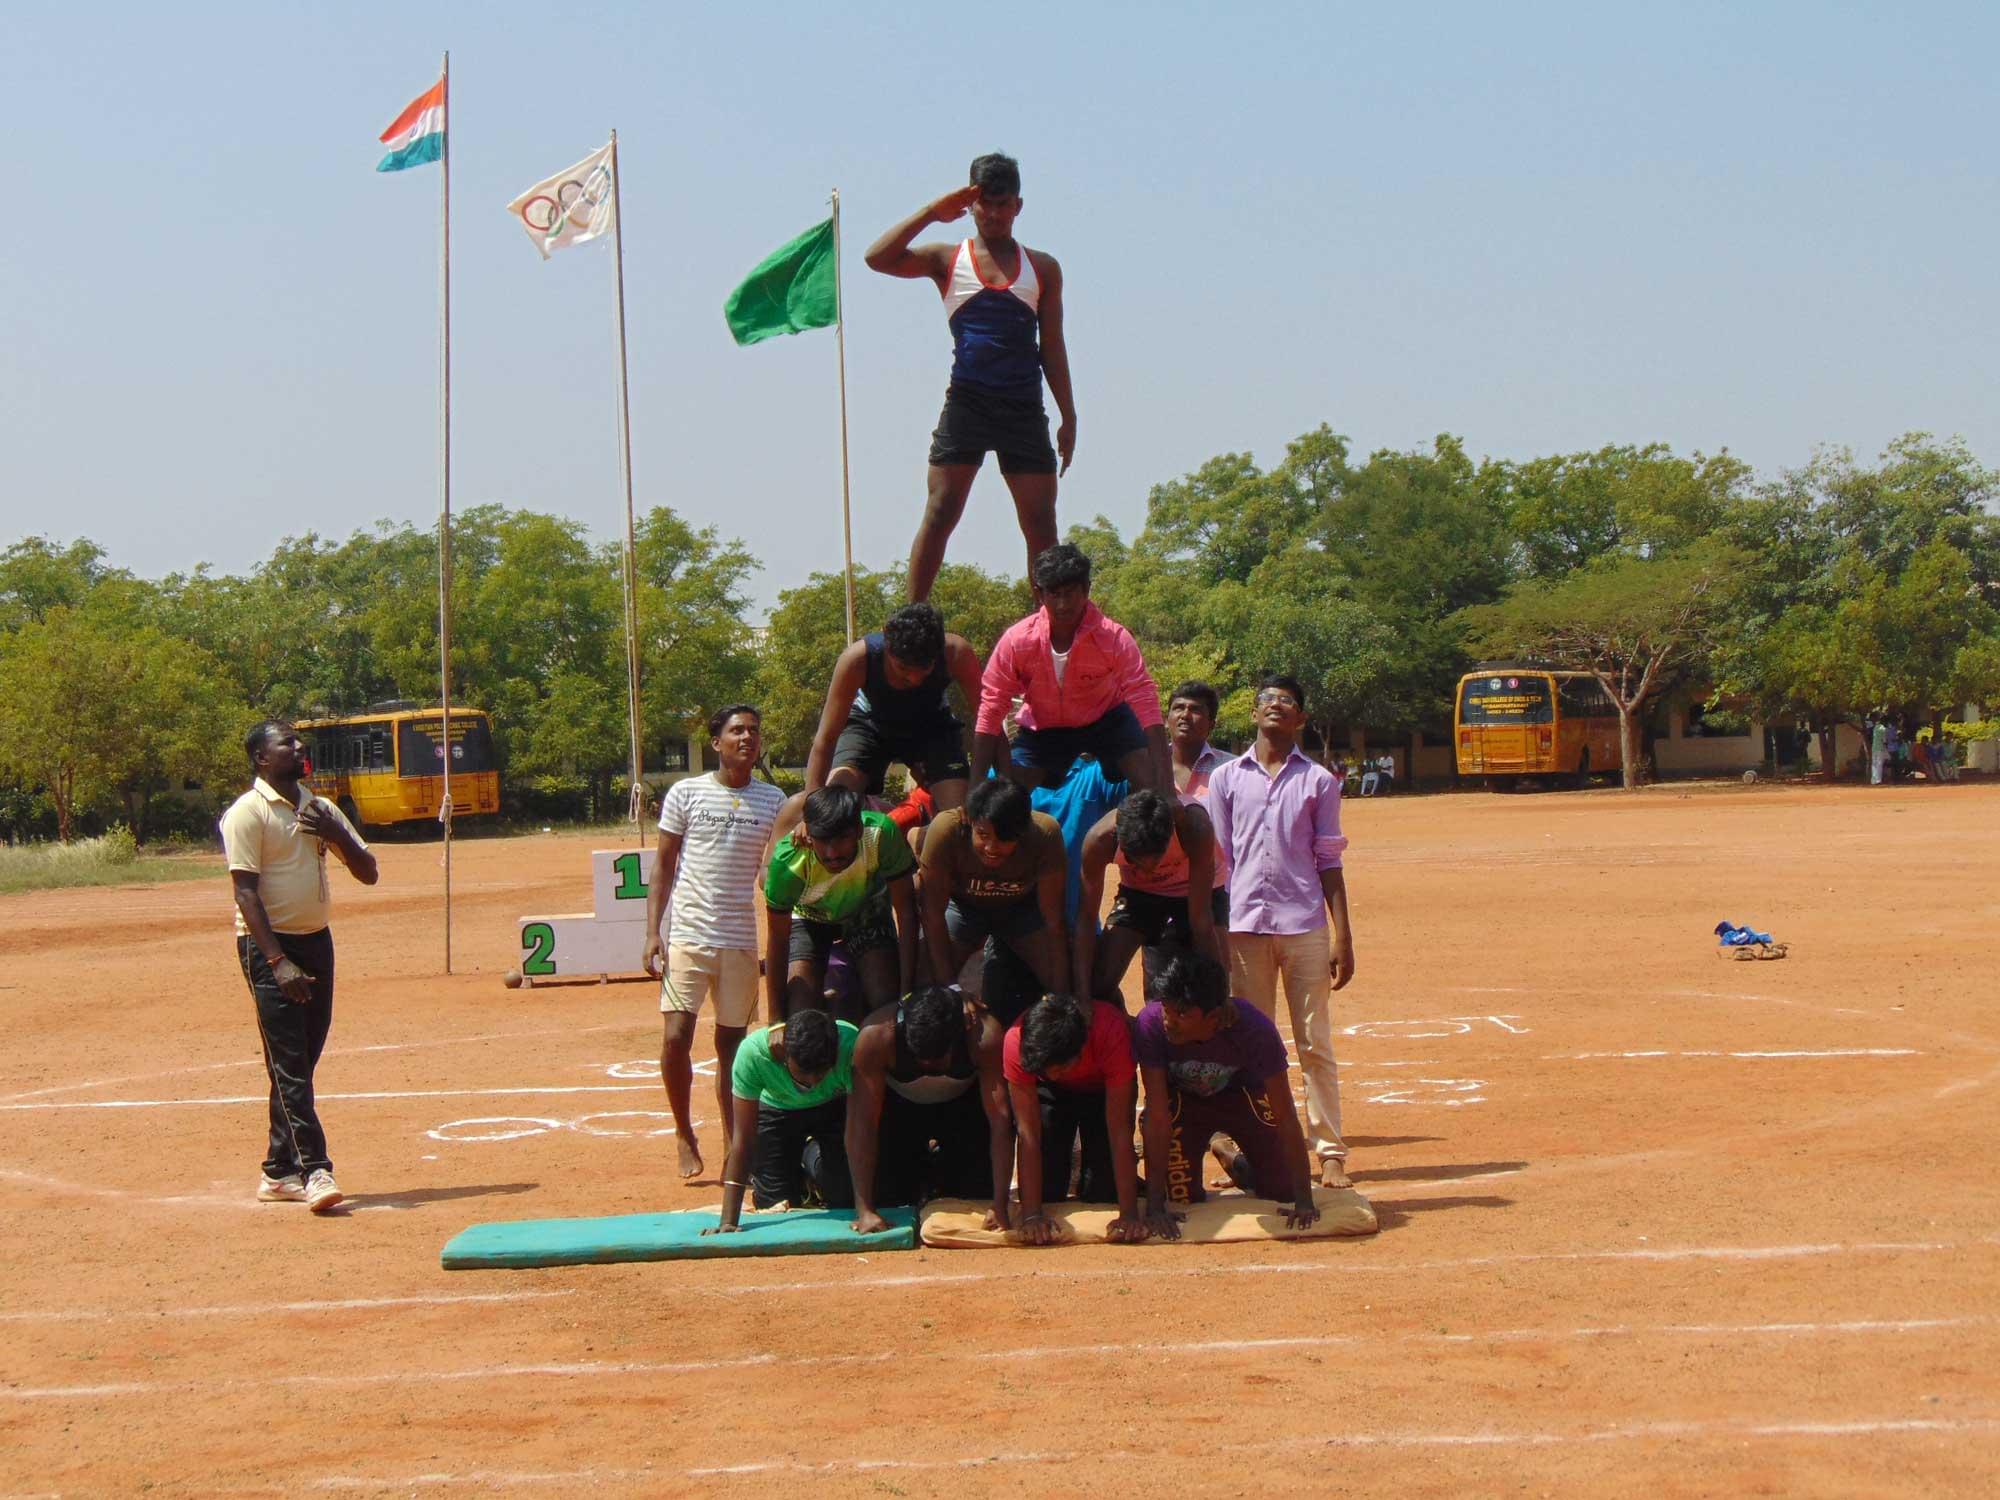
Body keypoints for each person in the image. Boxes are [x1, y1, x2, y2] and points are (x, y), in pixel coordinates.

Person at [864, 152, 1076, 603]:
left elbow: (1052, 347)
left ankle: (1048, 626)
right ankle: (911, 617)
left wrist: (1068, 414)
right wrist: (931, 212)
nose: (995, 214)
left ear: (1018, 206)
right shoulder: (948, 258)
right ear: (971, 204)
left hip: (1022, 406)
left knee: (1041, 522)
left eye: (1004, 204)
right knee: (941, 509)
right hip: (968, 403)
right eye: (985, 204)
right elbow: (876, 258)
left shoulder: (1043, 268)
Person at [221, 720, 379, 1213]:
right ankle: (315, 1170)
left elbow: (369, 873)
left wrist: (337, 834)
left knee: (301, 1061)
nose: (298, 747)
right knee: (291, 1065)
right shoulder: (247, 814)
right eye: (285, 743)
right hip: (269, 950)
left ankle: (277, 1171)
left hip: (317, 943)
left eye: (297, 741)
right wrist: (277, 961)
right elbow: (245, 891)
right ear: (261, 759)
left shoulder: (320, 807)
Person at [1207, 674, 1357, 1190]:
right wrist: (1215, 931)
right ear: (1254, 714)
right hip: (1244, 928)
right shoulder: (1225, 780)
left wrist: (1344, 936)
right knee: (1251, 1045)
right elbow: (1218, 860)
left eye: (1286, 701)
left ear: (1301, 719)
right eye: (1266, 700)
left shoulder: (1318, 782)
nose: (1275, 707)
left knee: (1314, 1042)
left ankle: (1330, 1152)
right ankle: (1260, 1151)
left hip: (1304, 927)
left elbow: (1329, 860)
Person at [641, 704, 788, 1180]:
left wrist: (774, 871)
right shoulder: (686, 793)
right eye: (736, 731)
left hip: (740, 941)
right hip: (687, 934)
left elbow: (771, 868)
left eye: (753, 731)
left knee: (732, 1048)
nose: (746, 738)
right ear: (716, 742)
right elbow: (663, 866)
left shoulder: (774, 801)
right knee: (675, 1037)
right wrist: (651, 933)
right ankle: (684, 1131)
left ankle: (732, 1141)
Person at [1136, 953, 1320, 1237]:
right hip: (1183, 1105)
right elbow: (1157, 1114)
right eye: (1167, 1010)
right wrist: (1155, 1207)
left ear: (1215, 1016)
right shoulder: (1150, 1024)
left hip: (1241, 1099)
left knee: (1281, 1190)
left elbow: (1285, 1115)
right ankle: (1216, 1151)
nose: (1169, 1021)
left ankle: (1235, 1162)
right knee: (1182, 1197)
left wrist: (1304, 1201)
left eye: (1182, 1014)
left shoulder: (1255, 1029)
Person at [972, 543, 1168, 794]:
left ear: (1086, 589)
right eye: (1054, 594)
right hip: (1045, 726)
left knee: (1151, 783)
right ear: (1040, 594)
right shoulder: (1017, 641)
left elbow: (1147, 703)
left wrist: (1167, 792)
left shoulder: (1115, 638)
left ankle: (1132, 827)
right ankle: (1027, 830)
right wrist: (974, 791)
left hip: (1107, 718)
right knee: (1008, 795)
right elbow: (991, 706)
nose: (1063, 604)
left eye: (1070, 593)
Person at [844, 985, 1013, 1235]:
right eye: (919, 1056)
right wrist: (865, 1210)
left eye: (938, 1058)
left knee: (975, 1193)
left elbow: (1000, 1121)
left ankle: (942, 1169)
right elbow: (862, 1124)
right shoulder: (875, 1037)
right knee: (892, 1197)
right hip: (900, 1111)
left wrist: (1000, 1205)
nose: (928, 1065)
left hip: (962, 1110)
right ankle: (922, 1170)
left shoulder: (984, 1036)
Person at [805, 603, 985, 815]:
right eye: (902, 669)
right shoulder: (856, 660)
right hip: (870, 725)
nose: (914, 679)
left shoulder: (957, 653)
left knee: (958, 818)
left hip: (932, 727)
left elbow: (989, 725)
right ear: (886, 641)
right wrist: (811, 810)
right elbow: (825, 738)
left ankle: (921, 833)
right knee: (835, 808)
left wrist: (992, 788)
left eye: (925, 669)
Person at [762, 786, 918, 1023]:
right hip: (809, 916)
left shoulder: (881, 834)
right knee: (802, 1015)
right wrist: (776, 1021)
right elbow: (778, 939)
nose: (832, 853)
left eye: (842, 839)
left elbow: (906, 911)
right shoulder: (789, 861)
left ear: (858, 830)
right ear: (808, 835)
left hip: (865, 910)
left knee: (884, 1002)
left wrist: (905, 993)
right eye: (822, 841)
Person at [1004, 993, 1148, 1244]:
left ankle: (1087, 1165)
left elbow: (1120, 1131)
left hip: (1101, 1090)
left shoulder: (1110, 1030)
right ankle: (1070, 1165)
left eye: (1060, 1069)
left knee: (1103, 1192)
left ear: (1080, 1049)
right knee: (1048, 1193)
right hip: (1050, 1094)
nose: (1056, 1074)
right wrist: (1031, 1216)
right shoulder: (1016, 1042)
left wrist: (1129, 1214)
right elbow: (1028, 1134)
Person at [704, 1009, 857, 1233]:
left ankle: (811, 1159)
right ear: (783, 1054)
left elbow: (860, 1129)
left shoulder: (850, 1044)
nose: (813, 1082)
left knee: (844, 1199)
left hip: (833, 1105)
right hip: (777, 1108)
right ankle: (798, 1168)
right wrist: (728, 1221)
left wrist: (864, 1208)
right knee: (774, 1204)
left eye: (822, 1072)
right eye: (804, 1073)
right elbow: (743, 1139)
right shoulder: (754, 1054)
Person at [919, 777, 1070, 995]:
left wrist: (1062, 996)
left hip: (1020, 909)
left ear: (1023, 831)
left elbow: (1054, 921)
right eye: (982, 835)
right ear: (970, 821)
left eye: (1004, 839)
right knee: (926, 984)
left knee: (1066, 979)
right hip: (963, 908)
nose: (991, 848)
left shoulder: (1045, 833)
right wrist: (950, 987)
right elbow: (932, 915)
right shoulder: (946, 829)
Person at [1074, 788, 1225, 1005]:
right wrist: (1082, 995)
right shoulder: (1099, 842)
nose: (1148, 870)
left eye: (1156, 861)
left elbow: (1201, 922)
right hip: (1139, 893)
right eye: (1135, 862)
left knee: (1203, 982)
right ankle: (1124, 1024)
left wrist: (1217, 997)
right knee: (1099, 982)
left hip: (1193, 888)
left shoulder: (1194, 828)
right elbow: (1086, 918)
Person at [1870, 717, 1889, 785]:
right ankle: (1878, 780)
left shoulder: (1875, 728)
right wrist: (1887, 748)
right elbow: (1884, 741)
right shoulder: (1883, 729)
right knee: (1879, 764)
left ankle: (1873, 780)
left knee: (1874, 764)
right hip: (1880, 748)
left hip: (1874, 748)